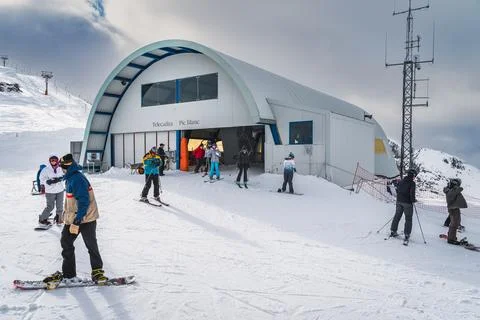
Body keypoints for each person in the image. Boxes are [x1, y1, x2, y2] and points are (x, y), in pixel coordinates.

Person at [43, 154, 107, 284]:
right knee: (66, 241)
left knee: (91, 245)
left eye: (62, 166)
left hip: (86, 219)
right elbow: (68, 180)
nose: (61, 168)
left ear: (67, 167)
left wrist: (78, 220)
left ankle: (97, 272)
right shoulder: (71, 176)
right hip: (74, 218)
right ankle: (69, 274)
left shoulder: (77, 179)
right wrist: (57, 180)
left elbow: (84, 201)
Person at [389, 168, 417, 240]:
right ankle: (407, 234)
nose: (414, 177)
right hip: (407, 203)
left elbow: (397, 189)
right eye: (415, 176)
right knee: (408, 218)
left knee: (397, 216)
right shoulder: (412, 183)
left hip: (399, 201)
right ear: (413, 175)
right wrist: (413, 200)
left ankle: (393, 231)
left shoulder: (401, 181)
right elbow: (412, 193)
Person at [38, 155, 64, 226]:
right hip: (50, 191)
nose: (53, 162)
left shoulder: (60, 168)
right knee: (50, 206)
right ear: (50, 161)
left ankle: (59, 219)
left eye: (55, 160)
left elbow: (65, 175)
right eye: (52, 160)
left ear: (57, 161)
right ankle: (42, 219)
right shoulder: (45, 169)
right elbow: (41, 179)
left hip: (60, 190)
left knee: (60, 206)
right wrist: (48, 181)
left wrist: (60, 179)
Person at [443, 178, 468, 245]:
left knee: (454, 223)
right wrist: (455, 186)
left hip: (454, 208)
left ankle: (451, 237)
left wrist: (453, 186)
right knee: (454, 224)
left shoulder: (450, 190)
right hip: (453, 209)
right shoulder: (451, 191)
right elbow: (460, 189)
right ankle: (451, 239)